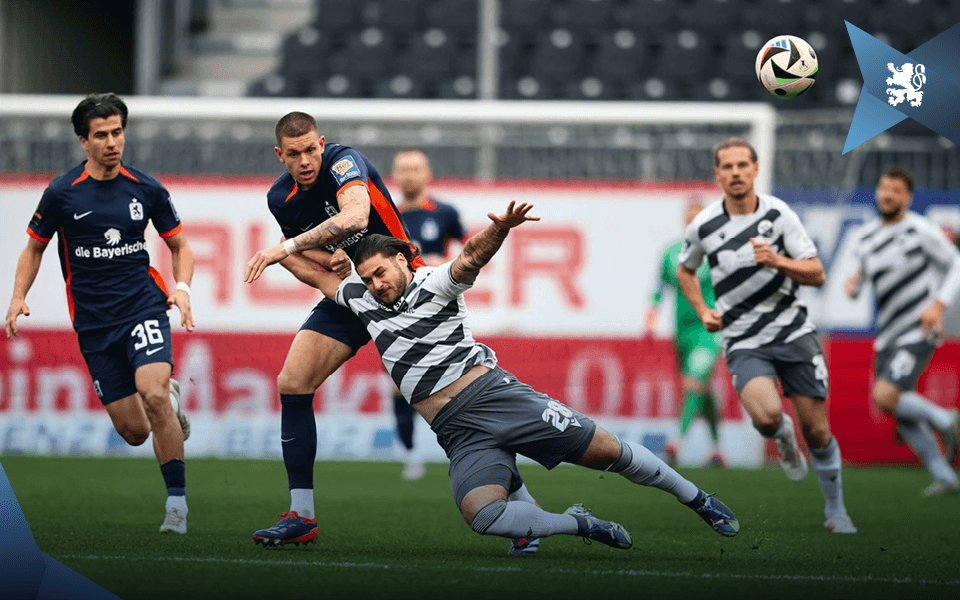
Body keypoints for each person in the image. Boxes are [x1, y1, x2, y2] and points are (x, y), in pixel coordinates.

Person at [281, 201, 740, 552]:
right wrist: (279, 251)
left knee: (609, 452)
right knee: (482, 516)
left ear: (403, 259)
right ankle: (579, 523)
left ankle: (698, 498)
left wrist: (500, 228)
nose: (376, 284)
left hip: (493, 397)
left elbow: (470, 257)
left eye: (380, 272)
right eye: (367, 278)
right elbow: (315, 276)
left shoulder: (435, 283)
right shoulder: (363, 299)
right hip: (456, 432)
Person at [4, 93, 195, 534]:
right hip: (93, 323)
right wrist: (17, 296)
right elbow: (34, 248)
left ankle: (177, 507)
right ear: (83, 141)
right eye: (102, 135)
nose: (112, 142)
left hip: (143, 307)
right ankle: (169, 399)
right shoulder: (61, 193)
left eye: (118, 132)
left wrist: (182, 289)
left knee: (150, 391)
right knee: (134, 432)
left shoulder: (146, 188)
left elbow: (180, 245)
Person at [677, 137, 856, 534]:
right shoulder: (704, 225)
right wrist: (703, 310)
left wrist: (777, 260)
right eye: (728, 166)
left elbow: (817, 273)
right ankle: (781, 434)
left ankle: (836, 510)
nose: (736, 172)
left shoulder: (778, 215)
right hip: (744, 338)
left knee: (818, 431)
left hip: (793, 332)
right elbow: (685, 270)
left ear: (755, 169)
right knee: (767, 417)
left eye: (743, 165)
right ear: (717, 174)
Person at [845, 166, 960, 496]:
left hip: (920, 328)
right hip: (888, 335)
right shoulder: (866, 236)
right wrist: (853, 285)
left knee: (884, 395)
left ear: (907, 197)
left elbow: (956, 264)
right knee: (893, 407)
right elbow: (859, 280)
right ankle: (944, 476)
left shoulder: (921, 230)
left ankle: (945, 419)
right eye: (884, 188)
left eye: (896, 190)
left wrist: (938, 304)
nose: (888, 195)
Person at [390, 149, 469, 480]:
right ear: (394, 175)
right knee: (399, 386)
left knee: (453, 383)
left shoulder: (445, 212)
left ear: (427, 174)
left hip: (439, 309)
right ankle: (410, 454)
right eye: (403, 169)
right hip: (396, 311)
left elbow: (472, 250)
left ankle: (465, 450)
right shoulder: (385, 215)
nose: (409, 175)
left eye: (415, 169)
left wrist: (443, 264)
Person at [645, 198, 725, 467]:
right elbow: (659, 286)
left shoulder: (717, 253)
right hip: (682, 331)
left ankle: (676, 443)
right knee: (702, 388)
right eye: (690, 218)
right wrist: (652, 312)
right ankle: (716, 448)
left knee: (694, 382)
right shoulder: (672, 252)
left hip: (709, 330)